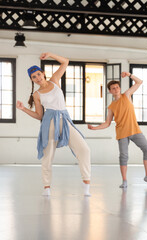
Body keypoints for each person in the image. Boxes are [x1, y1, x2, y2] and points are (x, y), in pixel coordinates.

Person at [16, 52, 91, 196]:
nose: (37, 78)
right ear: (31, 80)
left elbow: (66, 61)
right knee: (48, 155)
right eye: (34, 77)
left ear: (43, 73)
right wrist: (23, 109)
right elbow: (39, 115)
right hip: (49, 121)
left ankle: (86, 184)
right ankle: (47, 187)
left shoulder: (55, 80)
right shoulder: (36, 95)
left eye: (38, 74)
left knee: (84, 149)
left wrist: (50, 54)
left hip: (64, 118)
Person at [88, 72, 147, 189]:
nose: (116, 89)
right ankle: (124, 180)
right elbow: (107, 123)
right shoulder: (111, 107)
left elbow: (139, 82)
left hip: (135, 130)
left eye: (117, 87)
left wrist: (129, 74)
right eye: (113, 88)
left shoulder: (127, 95)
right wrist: (94, 128)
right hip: (122, 133)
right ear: (110, 91)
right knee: (124, 156)